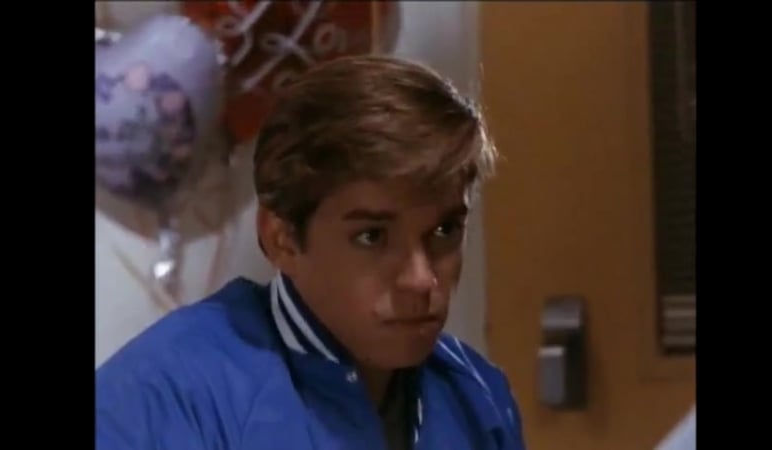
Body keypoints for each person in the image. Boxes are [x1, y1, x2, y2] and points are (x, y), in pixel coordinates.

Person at [96, 55, 526, 450]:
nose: (421, 279)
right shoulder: (156, 401)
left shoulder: (478, 397)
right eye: (372, 237)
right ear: (281, 239)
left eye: (444, 231)